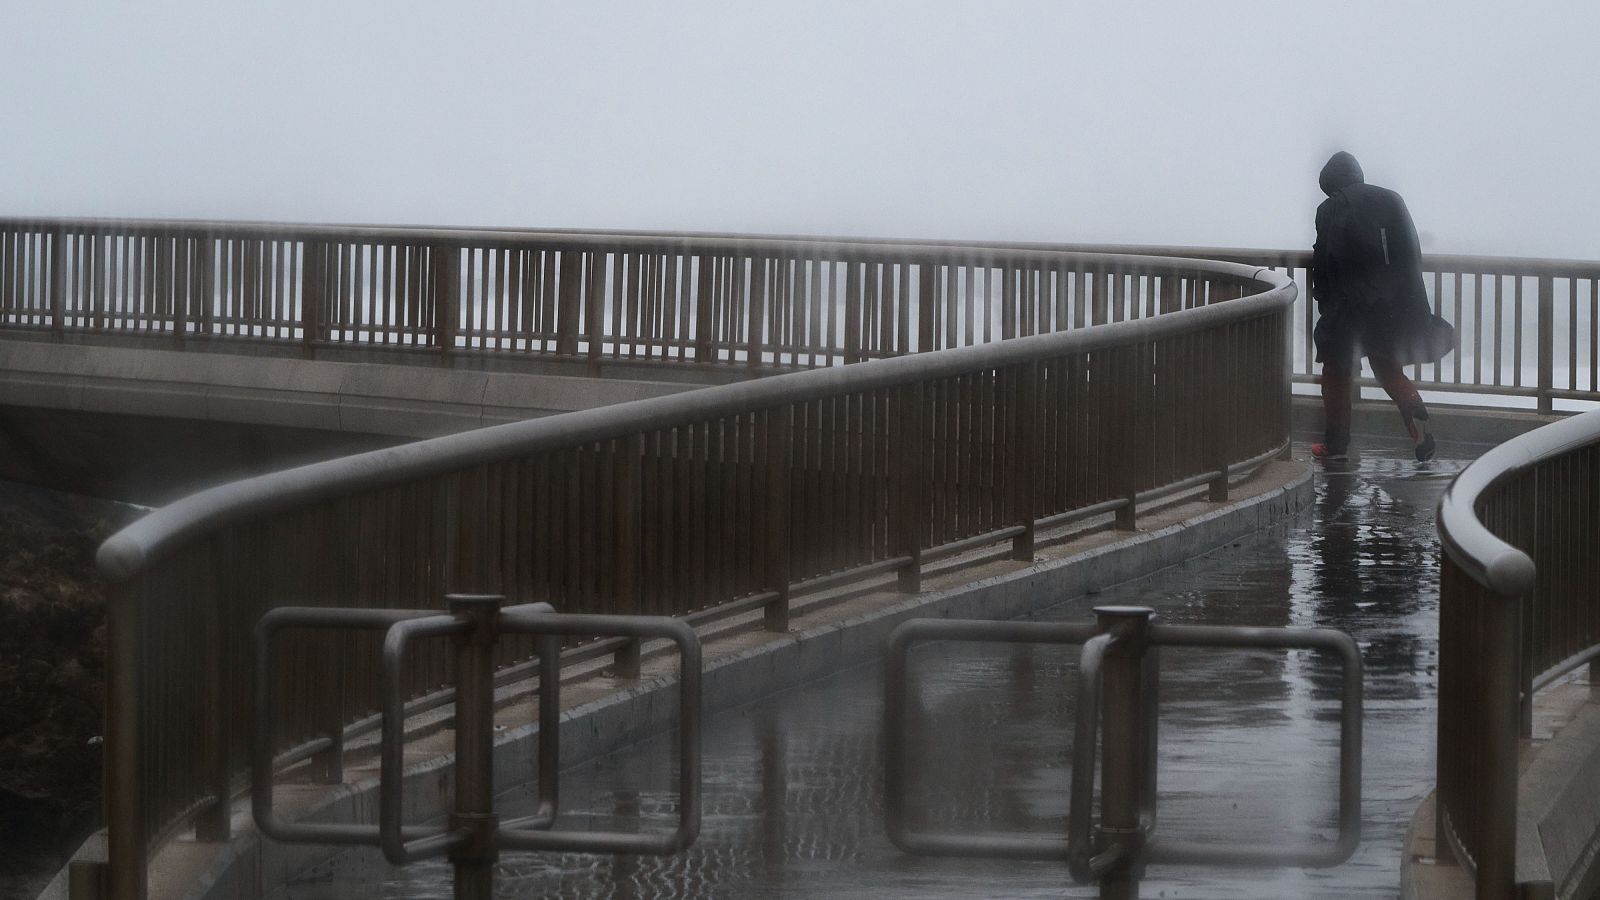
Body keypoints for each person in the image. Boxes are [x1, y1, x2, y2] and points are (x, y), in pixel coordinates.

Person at [1310, 151, 1440, 462]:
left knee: (1336, 371)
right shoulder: (1392, 200)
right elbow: (1411, 251)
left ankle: (1335, 444)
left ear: (1330, 182)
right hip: (1393, 301)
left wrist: (1323, 298)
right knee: (1386, 366)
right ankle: (1413, 409)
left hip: (1348, 305)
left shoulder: (1330, 207)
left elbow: (1324, 259)